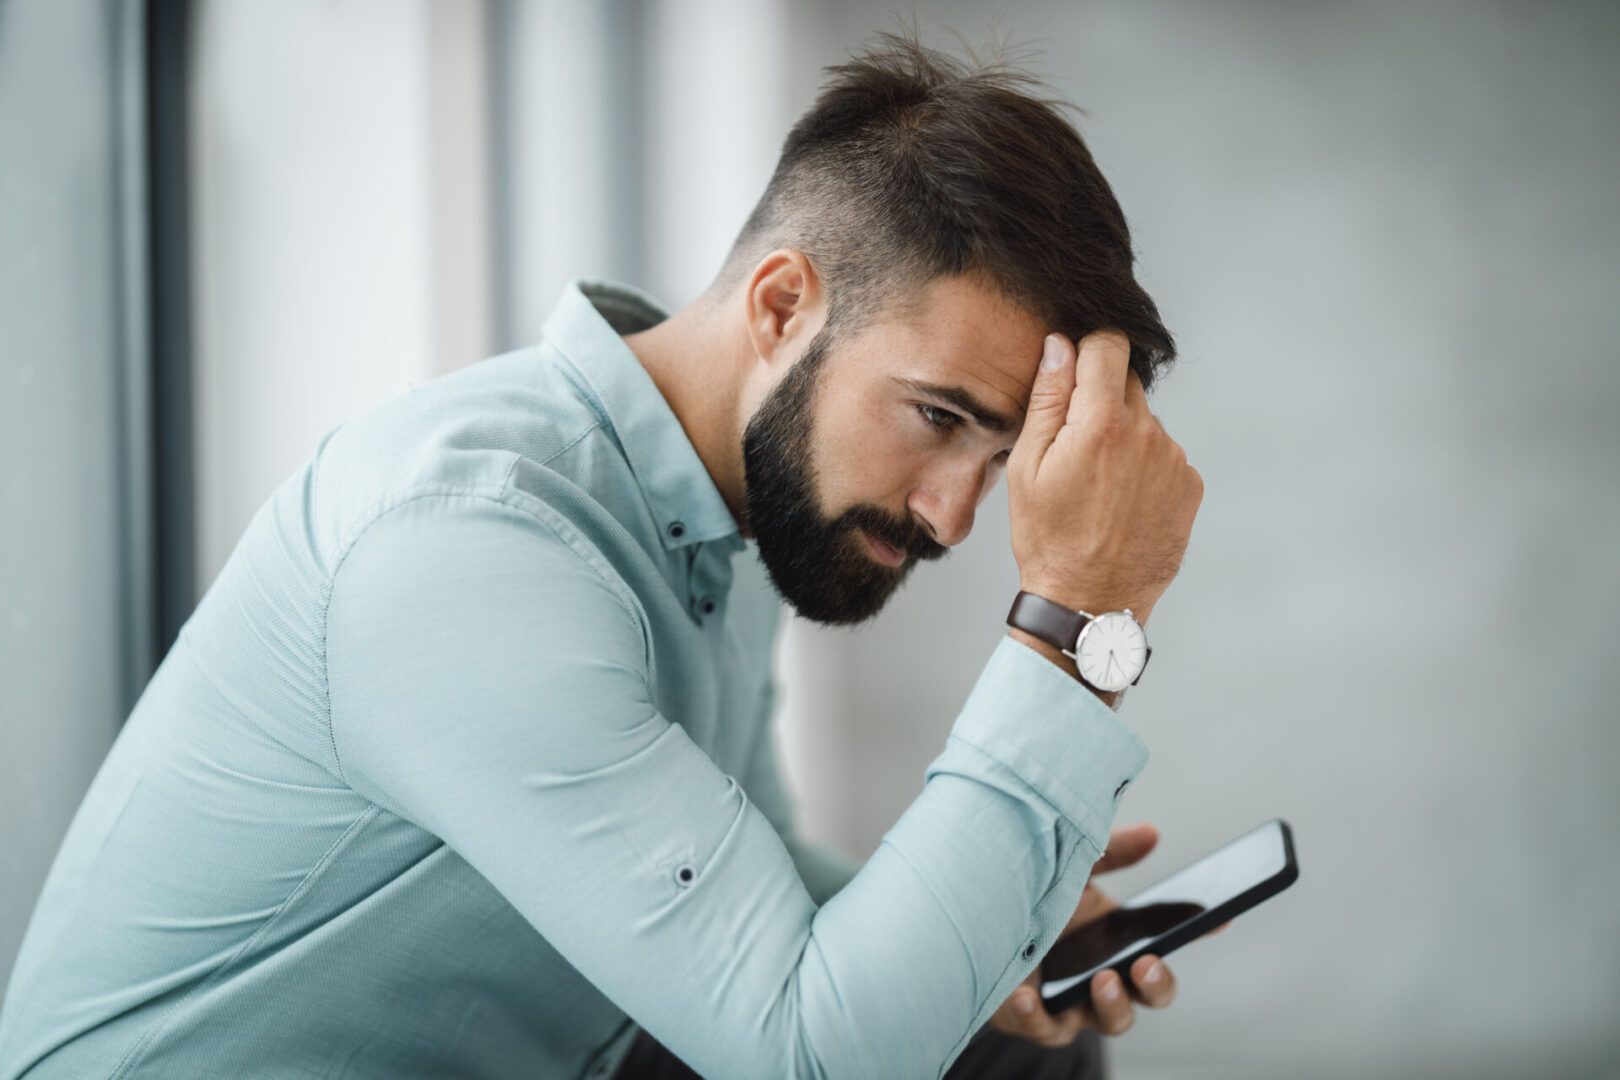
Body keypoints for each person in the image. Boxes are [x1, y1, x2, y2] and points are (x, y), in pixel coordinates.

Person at [0, 33, 1202, 1080]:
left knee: (992, 1037)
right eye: (939, 418)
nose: (952, 517)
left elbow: (750, 872)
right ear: (783, 306)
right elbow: (807, 1053)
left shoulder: (720, 505)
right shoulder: (474, 545)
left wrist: (996, 923)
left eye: (996, 458)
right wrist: (1085, 611)